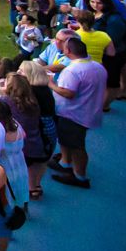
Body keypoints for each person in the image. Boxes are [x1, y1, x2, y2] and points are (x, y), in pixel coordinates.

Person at [49, 36, 106, 188]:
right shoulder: (98, 66)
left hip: (74, 114)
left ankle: (80, 177)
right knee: (67, 140)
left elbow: (68, 93)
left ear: (68, 51)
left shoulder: (73, 70)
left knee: (77, 146)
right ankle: (65, 163)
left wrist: (51, 85)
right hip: (88, 111)